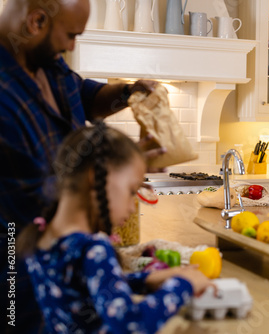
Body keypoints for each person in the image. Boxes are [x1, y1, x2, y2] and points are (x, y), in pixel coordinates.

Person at [0, 1, 161, 332]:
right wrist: (119, 170)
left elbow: (85, 96)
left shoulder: (45, 62)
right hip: (16, 266)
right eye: (71, 35)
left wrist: (130, 93)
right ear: (36, 22)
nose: (72, 46)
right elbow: (36, 198)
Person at [16, 122, 213, 333]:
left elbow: (92, 284)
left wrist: (145, 279)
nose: (132, 207)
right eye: (131, 191)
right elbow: (131, 323)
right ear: (95, 177)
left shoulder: (41, 237)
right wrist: (184, 284)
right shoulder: (92, 248)